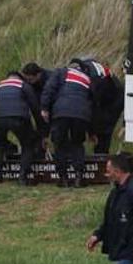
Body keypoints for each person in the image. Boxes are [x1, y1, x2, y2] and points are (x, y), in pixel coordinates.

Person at [41, 59, 94, 187]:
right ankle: (78, 177)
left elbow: (49, 89)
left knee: (60, 144)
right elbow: (93, 101)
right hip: (81, 115)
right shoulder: (87, 79)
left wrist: (44, 108)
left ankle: (63, 178)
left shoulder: (61, 72)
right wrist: (91, 130)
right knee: (77, 144)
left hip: (61, 112)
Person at [0, 71, 44, 185]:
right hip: (18, 117)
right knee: (27, 144)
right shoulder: (24, 86)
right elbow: (34, 107)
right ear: (21, 78)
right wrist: (40, 129)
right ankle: (22, 176)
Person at [82, 59, 124, 154]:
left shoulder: (100, 80)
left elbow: (94, 106)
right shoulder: (112, 80)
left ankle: (100, 158)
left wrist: (91, 131)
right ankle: (101, 157)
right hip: (110, 107)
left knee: (103, 136)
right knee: (104, 137)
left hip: (108, 107)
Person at [21, 62, 52, 158]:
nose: (28, 82)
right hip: (39, 110)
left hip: (53, 108)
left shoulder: (50, 79)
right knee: (39, 136)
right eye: (27, 80)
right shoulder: (29, 83)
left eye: (30, 79)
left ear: (38, 75)